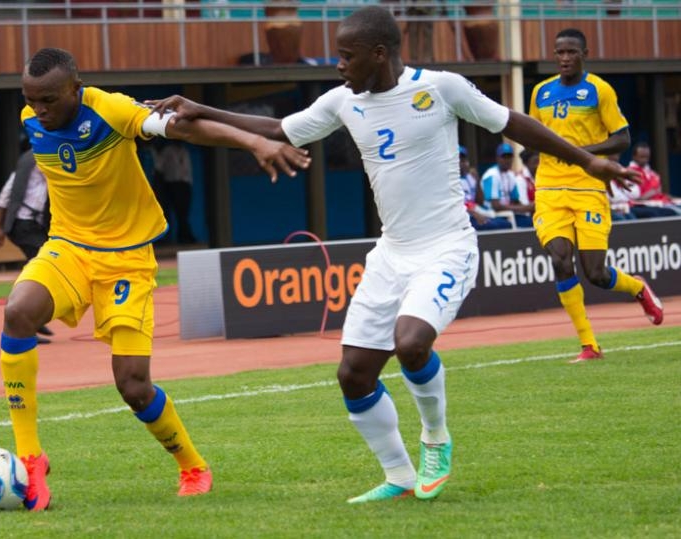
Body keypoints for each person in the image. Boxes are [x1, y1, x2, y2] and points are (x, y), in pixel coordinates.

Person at [148, 6, 639, 503]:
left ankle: (435, 439)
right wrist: (201, 108)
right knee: (353, 375)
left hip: (447, 246)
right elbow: (278, 130)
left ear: (378, 54)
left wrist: (589, 161)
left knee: (410, 342)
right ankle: (399, 476)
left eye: (347, 56)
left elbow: (515, 124)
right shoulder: (343, 101)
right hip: (392, 253)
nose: (339, 65)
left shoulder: (441, 88)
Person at [1, 47, 311, 511]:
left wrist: (254, 142)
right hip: (67, 247)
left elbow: (185, 127)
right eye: (31, 99)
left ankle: (192, 465)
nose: (39, 110)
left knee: (133, 385)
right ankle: (30, 457)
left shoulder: (112, 109)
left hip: (126, 259)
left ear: (75, 87)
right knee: (17, 312)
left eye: (48, 100)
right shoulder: (31, 117)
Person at [529, 28, 664, 363]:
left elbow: (621, 139)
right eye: (559, 52)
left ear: (584, 54)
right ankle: (589, 345)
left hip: (588, 187)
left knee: (597, 274)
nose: (564, 59)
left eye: (571, 52)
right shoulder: (540, 93)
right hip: (549, 188)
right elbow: (534, 135)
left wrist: (583, 153)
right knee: (560, 260)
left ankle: (636, 288)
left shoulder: (599, 90)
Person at [0, 148, 54, 344]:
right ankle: (23, 316)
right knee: (45, 265)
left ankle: (28, 314)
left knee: (40, 267)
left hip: (30, 225)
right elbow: (6, 195)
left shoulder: (27, 162)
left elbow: (6, 194)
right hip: (23, 224)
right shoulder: (42, 159)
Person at [480, 142, 535, 227]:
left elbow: (515, 200)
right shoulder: (492, 175)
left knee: (533, 222)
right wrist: (526, 208)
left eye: (509, 157)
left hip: (508, 213)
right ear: (497, 158)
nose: (507, 160)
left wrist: (530, 207)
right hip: (491, 214)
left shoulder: (510, 174)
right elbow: (496, 206)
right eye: (504, 157)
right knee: (507, 225)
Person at [459, 145, 512, 230]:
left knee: (506, 224)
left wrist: (477, 181)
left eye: (462, 159)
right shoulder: (450, 180)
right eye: (458, 159)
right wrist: (475, 214)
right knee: (496, 226)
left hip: (475, 212)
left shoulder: (470, 177)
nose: (460, 162)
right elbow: (456, 206)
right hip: (463, 218)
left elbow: (480, 201)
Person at [154, 141, 197, 244]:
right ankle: (168, 238)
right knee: (170, 212)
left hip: (185, 184)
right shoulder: (167, 151)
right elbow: (159, 167)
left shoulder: (185, 151)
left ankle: (183, 236)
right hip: (172, 183)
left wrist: (188, 184)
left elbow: (187, 169)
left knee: (183, 212)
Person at [627, 141, 681, 218]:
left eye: (647, 157)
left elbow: (659, 193)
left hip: (661, 203)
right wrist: (652, 192)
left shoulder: (653, 174)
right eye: (642, 157)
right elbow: (633, 198)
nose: (645, 160)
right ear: (634, 156)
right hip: (645, 206)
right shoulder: (629, 173)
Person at [606, 153, 639, 221]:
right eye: (613, 153)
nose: (616, 156)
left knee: (632, 217)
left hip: (625, 206)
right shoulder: (602, 168)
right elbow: (613, 197)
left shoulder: (621, 168)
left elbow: (635, 193)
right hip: (610, 207)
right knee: (621, 218)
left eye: (617, 153)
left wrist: (623, 189)